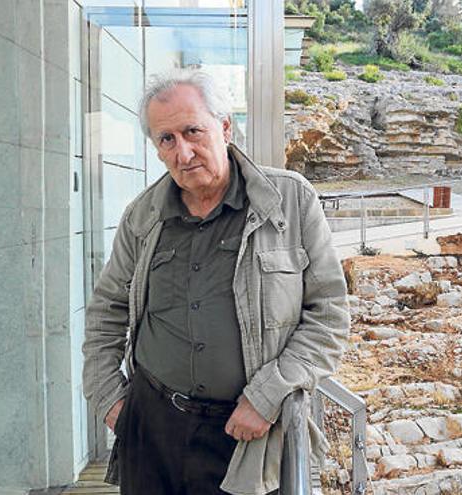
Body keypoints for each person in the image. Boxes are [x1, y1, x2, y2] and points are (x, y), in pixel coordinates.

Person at [82, 69, 349, 495]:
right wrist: (109, 398)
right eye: (165, 140)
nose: (183, 153)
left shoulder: (290, 200)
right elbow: (105, 312)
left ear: (224, 127)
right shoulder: (142, 217)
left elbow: (329, 317)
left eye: (193, 131)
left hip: (248, 431)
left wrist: (267, 396)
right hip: (151, 426)